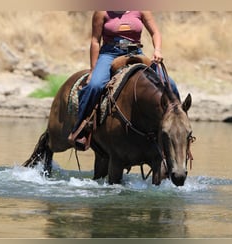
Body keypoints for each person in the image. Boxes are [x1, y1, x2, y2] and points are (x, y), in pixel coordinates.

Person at [68, 11, 180, 148]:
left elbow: (155, 32)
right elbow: (95, 41)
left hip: (136, 53)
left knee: (171, 85)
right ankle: (81, 128)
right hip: (110, 54)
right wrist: (93, 69)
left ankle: (178, 126)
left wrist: (157, 50)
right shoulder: (102, 12)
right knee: (95, 85)